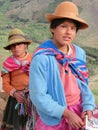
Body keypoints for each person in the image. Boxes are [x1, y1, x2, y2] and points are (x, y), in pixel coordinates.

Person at [29, 1, 96, 130]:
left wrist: (88, 105)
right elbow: (38, 95)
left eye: (72, 28)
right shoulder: (42, 58)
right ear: (53, 28)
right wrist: (66, 113)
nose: (68, 32)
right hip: (54, 114)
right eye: (63, 26)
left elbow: (83, 84)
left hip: (78, 110)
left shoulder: (79, 53)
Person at [1, 28, 33, 130]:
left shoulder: (34, 59)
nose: (16, 48)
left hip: (34, 97)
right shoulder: (7, 64)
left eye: (19, 44)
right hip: (16, 100)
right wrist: (15, 93)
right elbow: (5, 84)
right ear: (10, 48)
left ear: (25, 45)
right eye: (13, 46)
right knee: (17, 125)